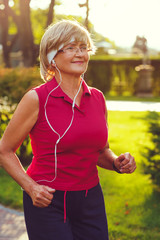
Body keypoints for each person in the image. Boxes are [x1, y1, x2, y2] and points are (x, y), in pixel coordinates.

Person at [0, 20, 136, 240]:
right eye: (71, 48)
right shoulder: (37, 98)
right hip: (47, 199)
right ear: (51, 56)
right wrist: (31, 188)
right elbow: (4, 150)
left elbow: (101, 150)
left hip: (90, 198)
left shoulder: (98, 98)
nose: (80, 54)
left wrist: (117, 162)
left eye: (83, 48)